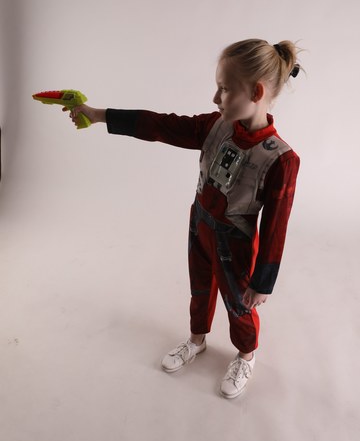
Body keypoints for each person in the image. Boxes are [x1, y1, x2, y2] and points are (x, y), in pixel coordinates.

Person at [63, 38, 302, 399]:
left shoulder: (280, 159)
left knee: (238, 302)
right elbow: (161, 126)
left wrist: (263, 281)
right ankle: (196, 340)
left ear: (255, 91)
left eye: (223, 89)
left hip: (234, 241)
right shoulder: (215, 126)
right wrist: (99, 115)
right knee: (200, 287)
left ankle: (246, 355)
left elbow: (276, 226)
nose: (215, 98)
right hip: (200, 224)